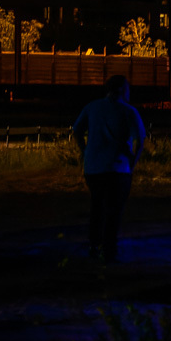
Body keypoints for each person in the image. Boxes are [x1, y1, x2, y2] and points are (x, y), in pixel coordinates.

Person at [72, 75, 146, 263]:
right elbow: (140, 138)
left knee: (97, 206)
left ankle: (94, 245)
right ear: (123, 89)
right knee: (114, 210)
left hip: (93, 167)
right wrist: (133, 162)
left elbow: (77, 130)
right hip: (118, 168)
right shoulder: (129, 111)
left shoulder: (92, 107)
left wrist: (84, 150)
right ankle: (109, 248)